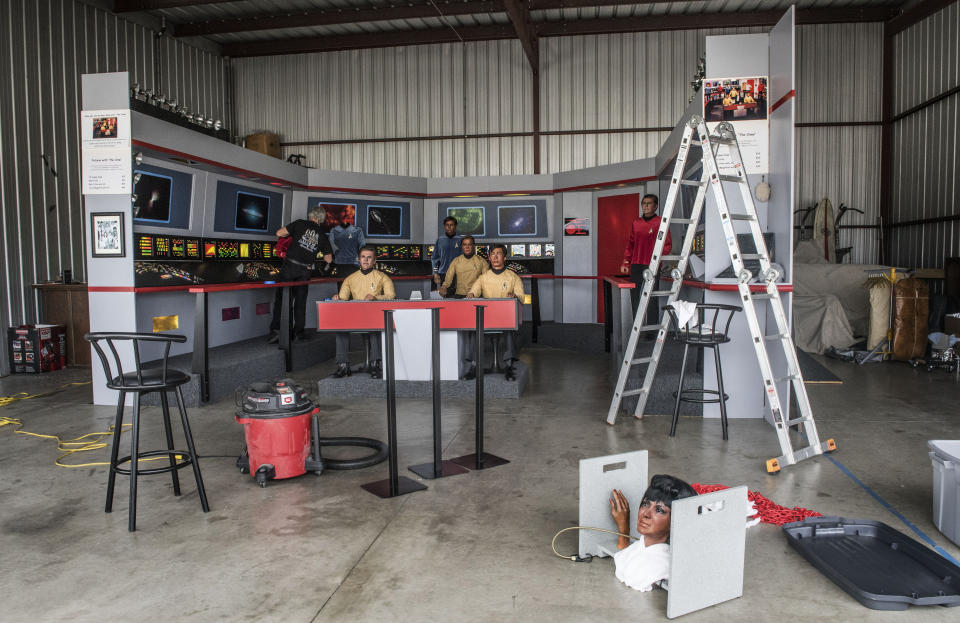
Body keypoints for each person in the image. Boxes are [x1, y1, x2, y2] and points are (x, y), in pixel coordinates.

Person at [608, 474, 698, 592]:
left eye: (659, 510)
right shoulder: (636, 550)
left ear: (676, 521)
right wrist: (623, 528)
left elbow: (635, 576)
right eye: (646, 504)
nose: (646, 514)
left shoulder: (660, 565)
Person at [267, 206, 333, 344]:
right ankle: (299, 332)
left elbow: (279, 233)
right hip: (305, 270)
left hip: (289, 267)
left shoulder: (299, 223)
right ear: (321, 219)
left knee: (282, 300)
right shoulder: (322, 235)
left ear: (311, 215)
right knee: (300, 302)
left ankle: (278, 331)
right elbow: (328, 258)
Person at [330, 246, 396, 379]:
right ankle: (343, 365)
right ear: (359, 259)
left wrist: (375, 297)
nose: (365, 260)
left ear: (374, 260)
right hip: (355, 316)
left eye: (369, 257)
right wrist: (337, 297)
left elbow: (391, 295)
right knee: (340, 328)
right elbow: (342, 297)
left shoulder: (382, 277)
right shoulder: (350, 278)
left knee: (375, 327)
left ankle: (375, 364)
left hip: (373, 315)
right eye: (363, 257)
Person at [467, 243, 524, 380]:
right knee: (472, 330)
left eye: (498, 254)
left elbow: (521, 296)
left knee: (510, 329)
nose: (495, 257)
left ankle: (509, 367)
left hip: (505, 317)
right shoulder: (484, 277)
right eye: (492, 254)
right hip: (487, 317)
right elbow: (473, 291)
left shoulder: (513, 277)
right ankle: (474, 366)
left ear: (504, 257)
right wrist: (471, 295)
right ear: (489, 257)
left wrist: (514, 296)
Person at [441, 235, 489, 378]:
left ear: (474, 246)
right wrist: (444, 287)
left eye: (470, 244)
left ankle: (474, 364)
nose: (467, 247)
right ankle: (459, 364)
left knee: (474, 332)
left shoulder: (481, 262)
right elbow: (448, 279)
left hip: (475, 299)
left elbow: (486, 281)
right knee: (461, 332)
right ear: (461, 247)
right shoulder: (456, 261)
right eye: (464, 244)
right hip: (460, 298)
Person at [621, 193, 672, 325]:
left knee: (651, 297)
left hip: (652, 265)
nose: (645, 206)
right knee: (635, 296)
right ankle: (636, 325)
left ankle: (651, 328)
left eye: (649, 203)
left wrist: (658, 261)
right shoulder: (636, 223)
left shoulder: (661, 222)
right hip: (636, 264)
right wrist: (626, 261)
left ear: (655, 206)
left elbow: (667, 245)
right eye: (643, 203)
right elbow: (630, 244)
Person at [431, 216, 462, 295]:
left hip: (457, 275)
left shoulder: (460, 240)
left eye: (451, 225)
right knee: (445, 298)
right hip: (443, 274)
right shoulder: (440, 240)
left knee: (458, 297)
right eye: (447, 225)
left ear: (455, 226)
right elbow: (434, 258)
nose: (449, 227)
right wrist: (435, 273)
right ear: (444, 226)